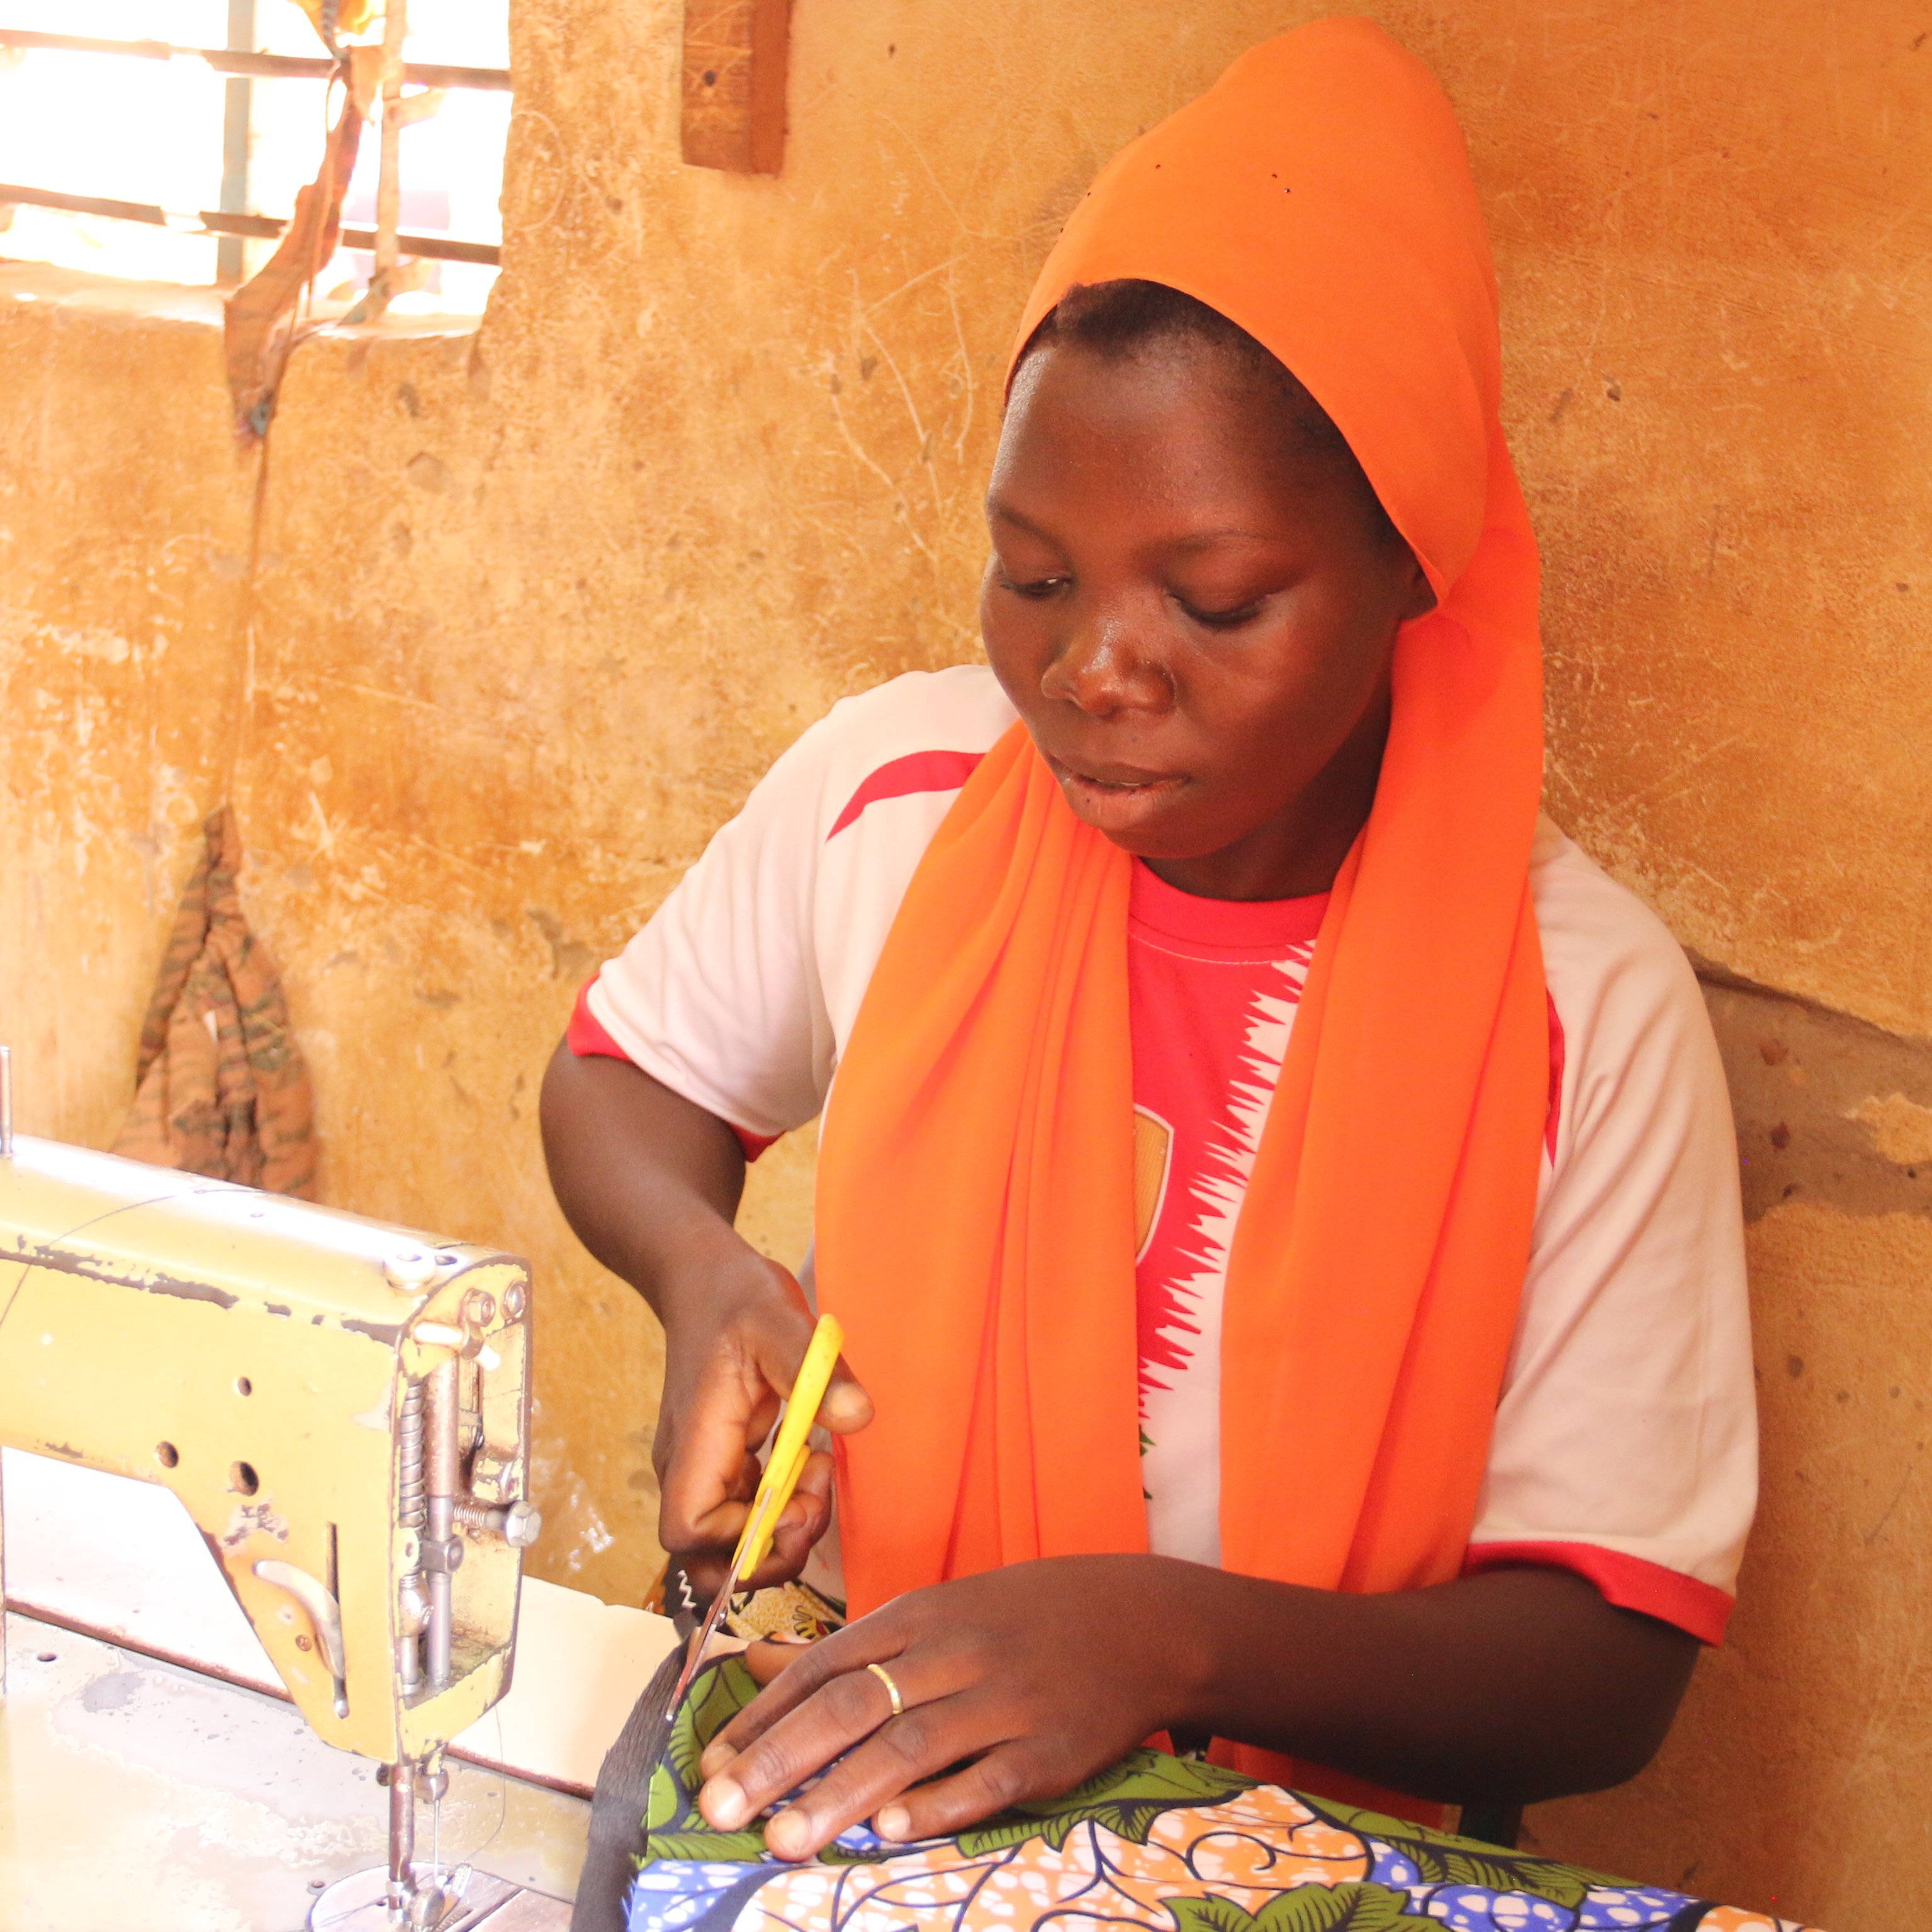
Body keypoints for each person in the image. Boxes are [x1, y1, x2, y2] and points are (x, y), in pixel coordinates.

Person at [540, 16, 1755, 1865]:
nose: (1096, 667)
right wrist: (708, 1280)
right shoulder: (897, 798)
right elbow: (623, 1078)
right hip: (876, 1813)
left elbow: (1608, 1660)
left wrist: (1163, 1638)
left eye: (1215, 599)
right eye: (1035, 577)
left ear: (1409, 569)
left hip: (1295, 1866)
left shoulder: (1580, 1003)